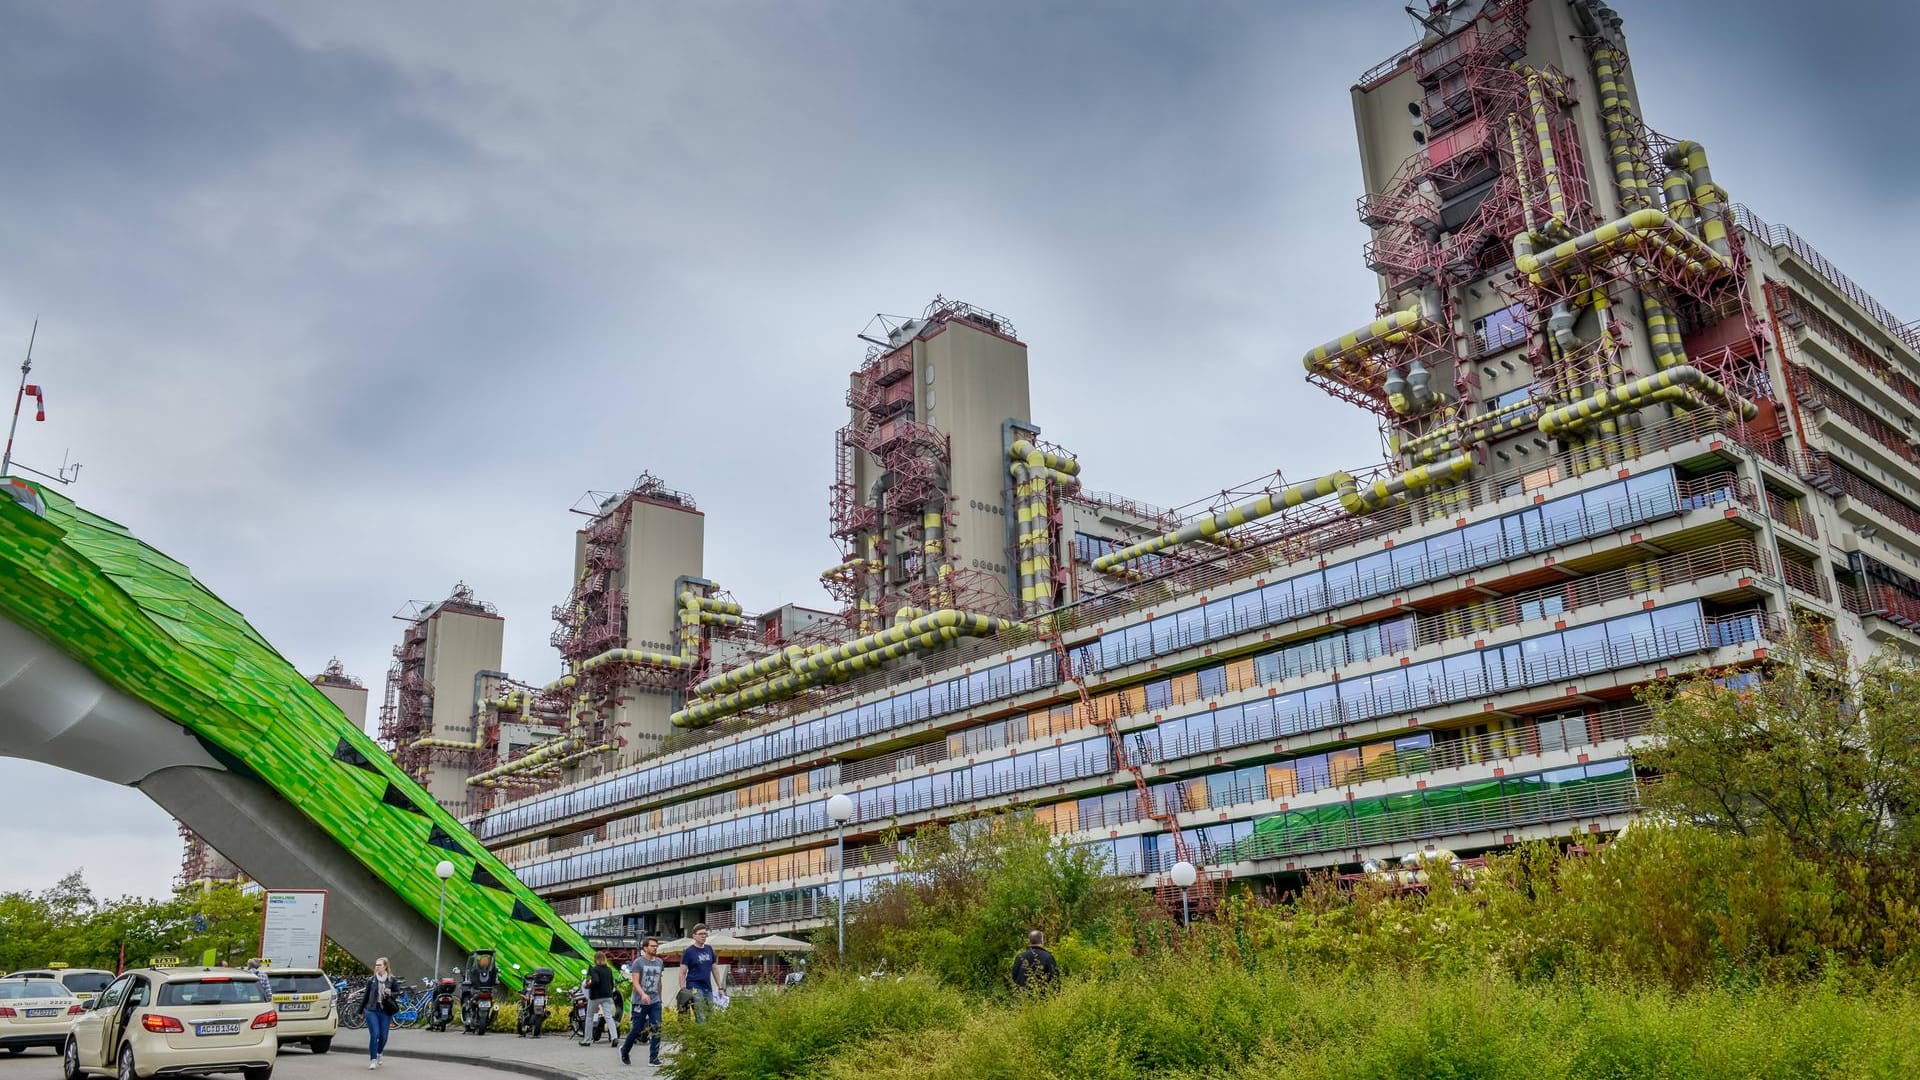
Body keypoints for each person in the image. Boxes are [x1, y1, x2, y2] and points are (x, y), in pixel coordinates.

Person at [621, 937, 664, 1067]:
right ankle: (624, 1050)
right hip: (640, 1001)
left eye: (656, 946)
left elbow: (659, 981)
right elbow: (635, 981)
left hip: (655, 1001)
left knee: (657, 1028)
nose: (655, 948)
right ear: (645, 948)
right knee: (637, 1029)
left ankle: (653, 1058)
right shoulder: (638, 963)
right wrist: (643, 994)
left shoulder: (660, 962)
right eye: (652, 946)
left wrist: (660, 998)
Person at [364, 957, 401, 1070]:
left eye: (379, 965)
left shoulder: (391, 979)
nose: (377, 967)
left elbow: (398, 992)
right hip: (371, 1010)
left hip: (385, 1011)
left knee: (383, 1037)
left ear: (385, 966)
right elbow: (365, 997)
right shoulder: (371, 980)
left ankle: (379, 1053)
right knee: (375, 1035)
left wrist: (391, 993)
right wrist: (360, 1011)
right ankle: (373, 1060)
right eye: (376, 965)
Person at [680, 924, 720, 1024]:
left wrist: (720, 987)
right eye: (701, 934)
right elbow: (682, 972)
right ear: (694, 936)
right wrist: (683, 989)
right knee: (701, 1015)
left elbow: (714, 968)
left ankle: (709, 1038)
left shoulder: (709, 949)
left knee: (711, 1015)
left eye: (705, 934)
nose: (703, 936)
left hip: (707, 986)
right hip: (694, 986)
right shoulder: (688, 951)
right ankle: (700, 1038)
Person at [581, 950, 620, 1047]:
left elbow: (595, 980)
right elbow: (611, 983)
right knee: (609, 1017)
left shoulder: (594, 969)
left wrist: (588, 986)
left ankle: (587, 1040)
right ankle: (614, 1037)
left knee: (589, 1017)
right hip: (607, 996)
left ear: (595, 959)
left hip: (596, 996)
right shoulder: (609, 970)